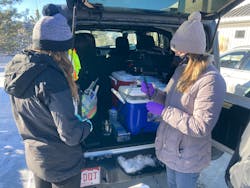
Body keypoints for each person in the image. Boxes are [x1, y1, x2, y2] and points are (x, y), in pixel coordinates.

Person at [4, 4, 93, 188]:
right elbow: (70, 134)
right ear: (61, 49)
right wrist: (88, 123)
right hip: (62, 166)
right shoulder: (53, 80)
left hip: (37, 159)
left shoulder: (20, 70)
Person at [141, 11, 226, 188]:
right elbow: (168, 98)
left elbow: (200, 126)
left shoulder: (211, 80)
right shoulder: (182, 69)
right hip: (172, 150)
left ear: (193, 49)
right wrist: (154, 93)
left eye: (180, 49)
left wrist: (163, 112)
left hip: (188, 157)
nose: (177, 54)